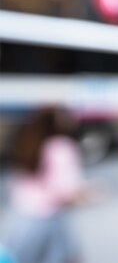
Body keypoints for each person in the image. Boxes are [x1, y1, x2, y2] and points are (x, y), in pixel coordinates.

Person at [2, 106, 88, 263]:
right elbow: (67, 192)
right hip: (49, 219)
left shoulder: (26, 141)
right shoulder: (61, 146)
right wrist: (89, 194)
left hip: (22, 218)